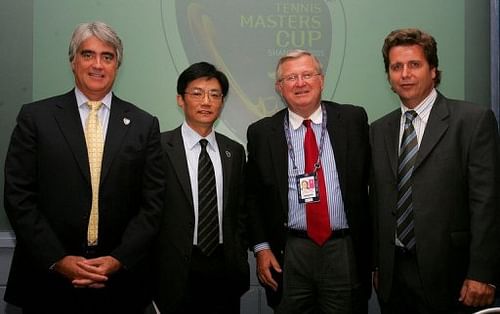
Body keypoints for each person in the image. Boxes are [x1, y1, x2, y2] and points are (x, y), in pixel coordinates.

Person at [3, 21, 164, 314]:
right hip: (47, 281)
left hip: (120, 283)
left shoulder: (144, 124)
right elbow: (18, 197)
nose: (97, 65)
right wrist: (58, 259)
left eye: (108, 56)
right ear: (73, 61)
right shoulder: (36, 118)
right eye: (88, 54)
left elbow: (153, 204)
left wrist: (119, 258)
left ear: (118, 64)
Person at [370, 28, 500, 314]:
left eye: (414, 65)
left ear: (433, 71)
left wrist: (482, 272)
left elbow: (487, 203)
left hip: (453, 277)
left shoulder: (473, 121)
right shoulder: (379, 130)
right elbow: (379, 200)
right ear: (389, 78)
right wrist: (379, 265)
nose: (405, 74)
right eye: (396, 67)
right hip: (394, 279)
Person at [245, 49, 371, 313]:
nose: (300, 83)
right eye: (291, 78)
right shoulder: (261, 133)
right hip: (290, 250)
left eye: (307, 75)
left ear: (321, 80)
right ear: (280, 87)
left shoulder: (352, 119)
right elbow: (252, 196)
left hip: (343, 247)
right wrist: (261, 247)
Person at [152, 62, 249, 314]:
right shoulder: (159, 147)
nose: (206, 101)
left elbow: (240, 212)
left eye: (214, 95)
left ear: (222, 102)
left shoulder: (234, 152)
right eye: (197, 93)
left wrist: (238, 257)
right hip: (174, 270)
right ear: (180, 100)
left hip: (223, 268)